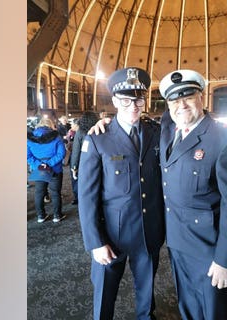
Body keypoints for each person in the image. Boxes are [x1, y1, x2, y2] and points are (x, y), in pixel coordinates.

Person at [91, 69, 227, 319]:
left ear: (202, 97)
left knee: (213, 311)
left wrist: (225, 260)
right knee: (187, 307)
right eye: (174, 101)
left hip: (207, 247)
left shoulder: (224, 138)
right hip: (176, 243)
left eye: (188, 97)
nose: (181, 105)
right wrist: (107, 123)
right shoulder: (166, 128)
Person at [78, 67, 165, 320]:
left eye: (138, 99)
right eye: (125, 100)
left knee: (146, 299)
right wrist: (95, 242)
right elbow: (86, 197)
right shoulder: (98, 139)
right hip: (111, 237)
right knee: (104, 297)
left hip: (148, 234)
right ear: (115, 101)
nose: (133, 106)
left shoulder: (157, 133)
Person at [27, 117, 67, 223]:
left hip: (39, 169)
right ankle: (57, 216)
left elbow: (28, 156)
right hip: (55, 169)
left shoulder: (30, 138)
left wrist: (40, 165)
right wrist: (49, 164)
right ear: (50, 125)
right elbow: (61, 154)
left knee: (39, 193)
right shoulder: (56, 136)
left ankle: (41, 216)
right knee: (55, 193)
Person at [69, 111, 99, 205]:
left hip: (84, 161)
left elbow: (76, 151)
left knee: (81, 182)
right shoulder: (98, 129)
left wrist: (74, 166)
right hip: (98, 159)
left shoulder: (80, 132)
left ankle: (81, 199)